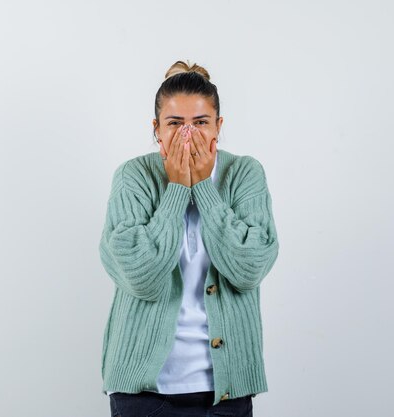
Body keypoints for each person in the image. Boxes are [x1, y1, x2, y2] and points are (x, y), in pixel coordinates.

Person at [98, 60, 279, 417]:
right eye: (175, 123)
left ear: (218, 127)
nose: (187, 135)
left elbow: (249, 268)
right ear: (156, 130)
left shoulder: (244, 174)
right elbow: (141, 277)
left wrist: (205, 191)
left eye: (200, 123)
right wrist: (178, 189)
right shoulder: (132, 177)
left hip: (226, 395)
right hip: (145, 397)